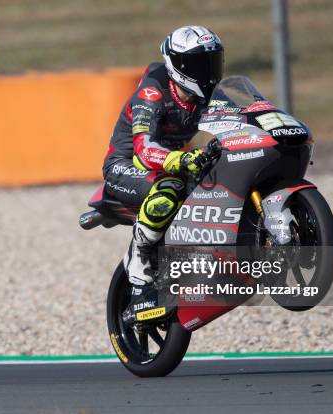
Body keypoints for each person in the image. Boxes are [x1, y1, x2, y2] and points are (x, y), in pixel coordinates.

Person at [102, 25, 225, 313]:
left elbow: (237, 117)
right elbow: (144, 149)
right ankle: (139, 258)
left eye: (212, 62)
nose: (207, 72)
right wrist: (181, 160)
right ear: (178, 66)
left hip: (170, 165)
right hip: (126, 167)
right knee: (170, 190)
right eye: (199, 64)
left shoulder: (208, 95)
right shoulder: (152, 93)